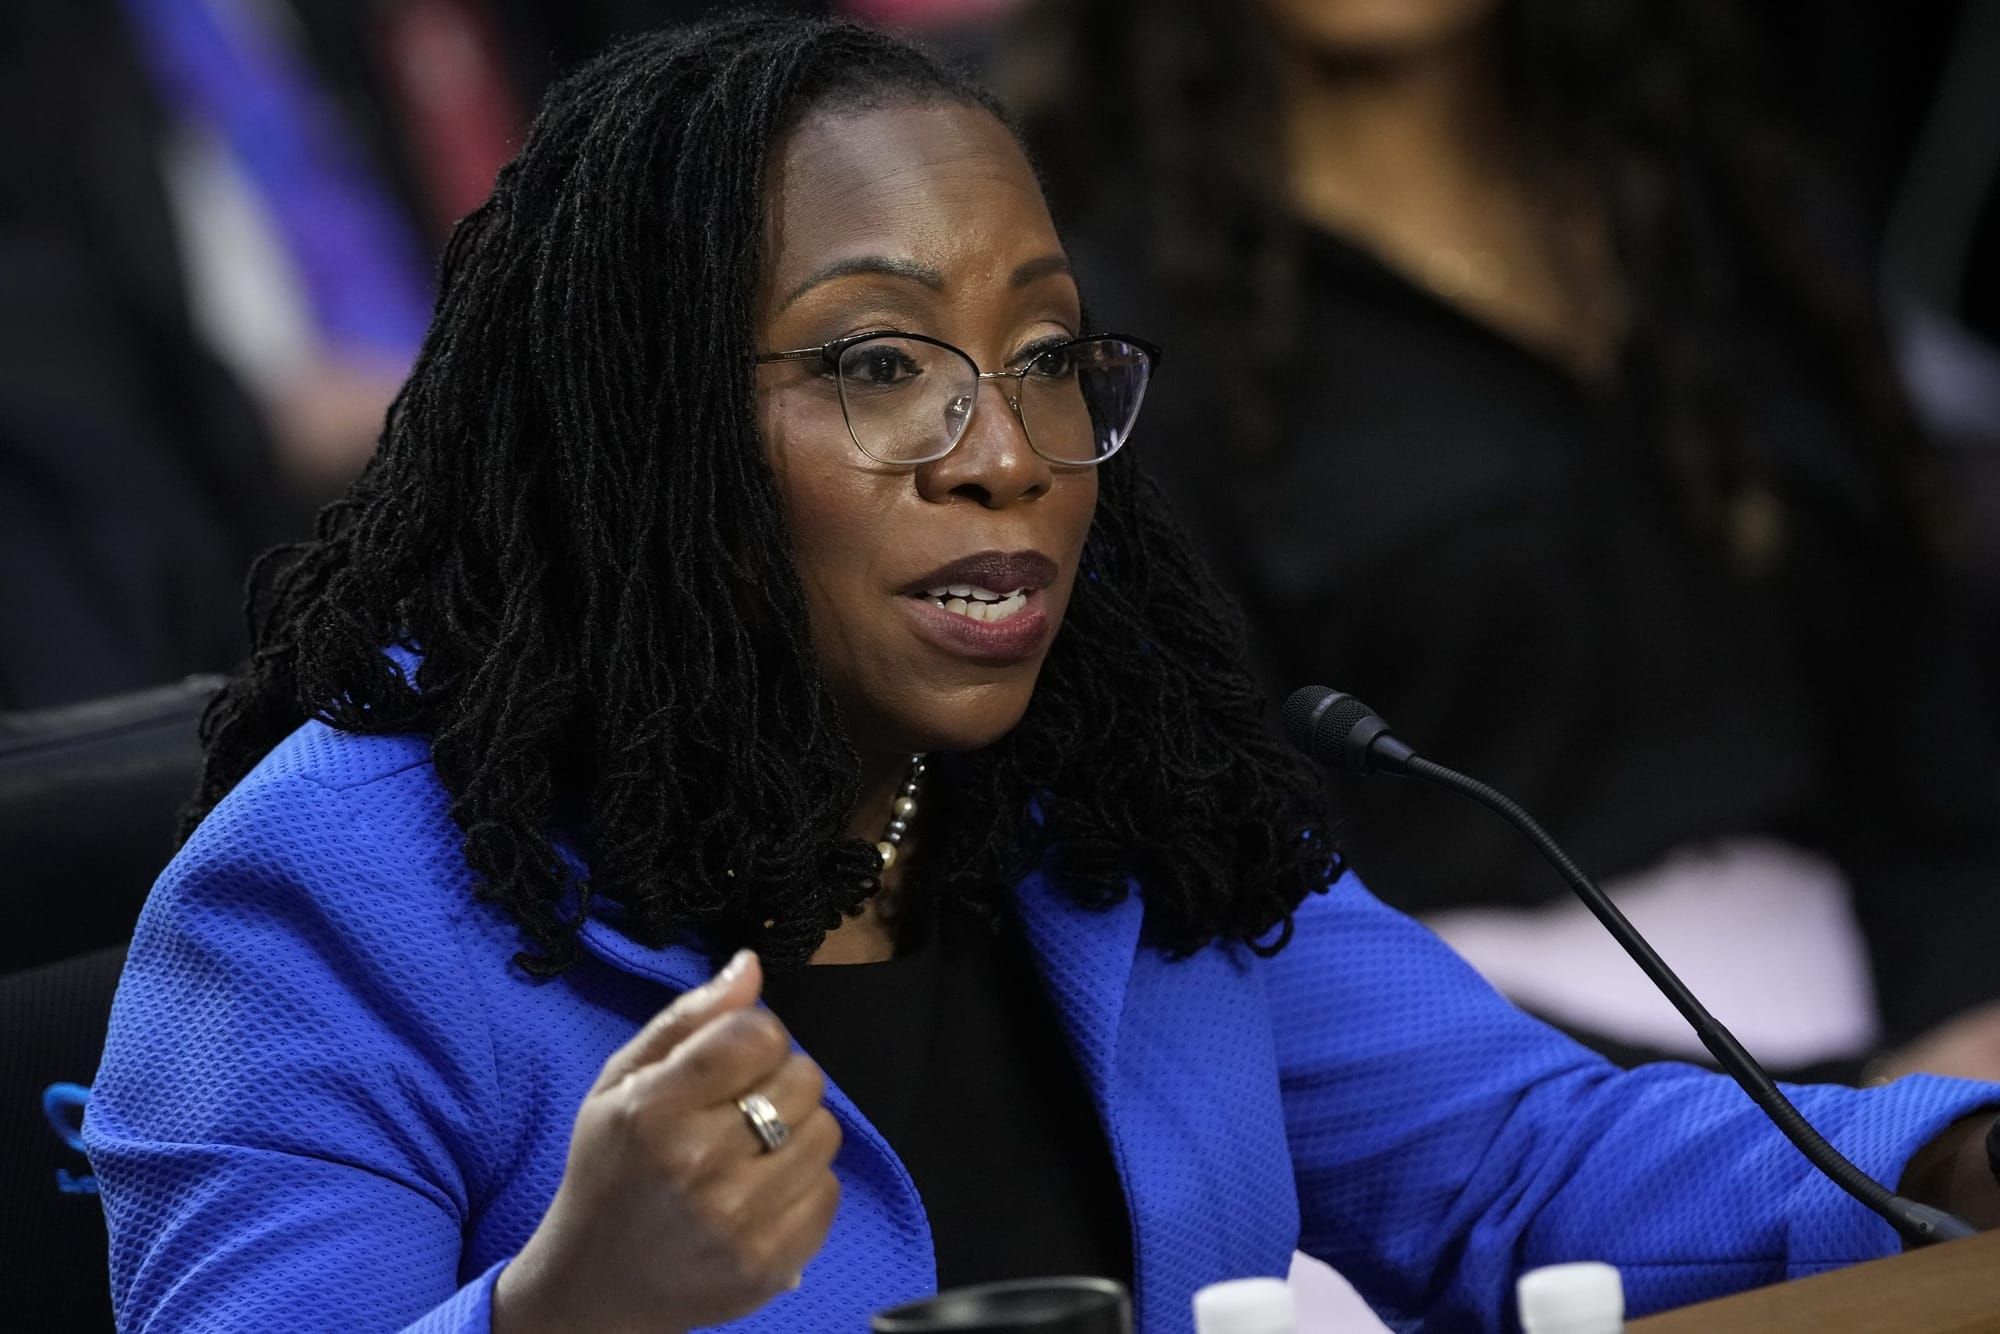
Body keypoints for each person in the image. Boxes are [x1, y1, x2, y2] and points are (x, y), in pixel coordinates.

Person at [84, 15, 2000, 1334]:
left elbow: (1529, 1155)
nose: (1007, 448)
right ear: (647, 427)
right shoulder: (321, 907)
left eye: (1051, 353)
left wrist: (1973, 1147)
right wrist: (564, 1305)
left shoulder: (1105, 808)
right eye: (874, 361)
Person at [1006, 0, 2000, 1082]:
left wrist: (1952, 1050)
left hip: (1915, 1034)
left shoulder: (1733, 208)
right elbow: (1236, 883)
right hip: (1488, 1107)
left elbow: (1929, 722)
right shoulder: (1128, 336)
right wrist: (1817, 1116)